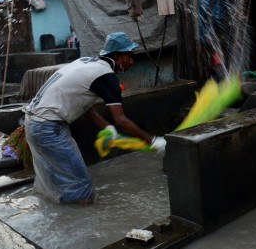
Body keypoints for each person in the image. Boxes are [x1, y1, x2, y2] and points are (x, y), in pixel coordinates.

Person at [24, 32, 167, 204]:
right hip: (48, 128)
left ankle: (55, 217)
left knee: (54, 184)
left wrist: (107, 128)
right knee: (82, 188)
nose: (131, 61)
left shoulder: (86, 62)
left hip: (33, 122)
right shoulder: (106, 75)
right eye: (129, 56)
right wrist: (153, 141)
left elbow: (85, 107)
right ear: (118, 56)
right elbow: (121, 120)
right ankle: (78, 225)